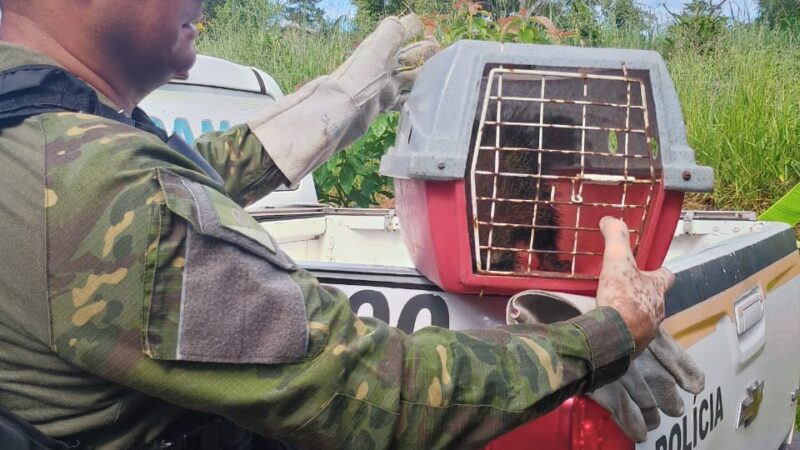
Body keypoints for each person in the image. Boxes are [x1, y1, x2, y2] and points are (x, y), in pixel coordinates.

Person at [0, 0, 678, 448]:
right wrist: (607, 333)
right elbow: (383, 393)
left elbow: (177, 177)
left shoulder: (33, 125)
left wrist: (337, 107)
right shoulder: (98, 181)